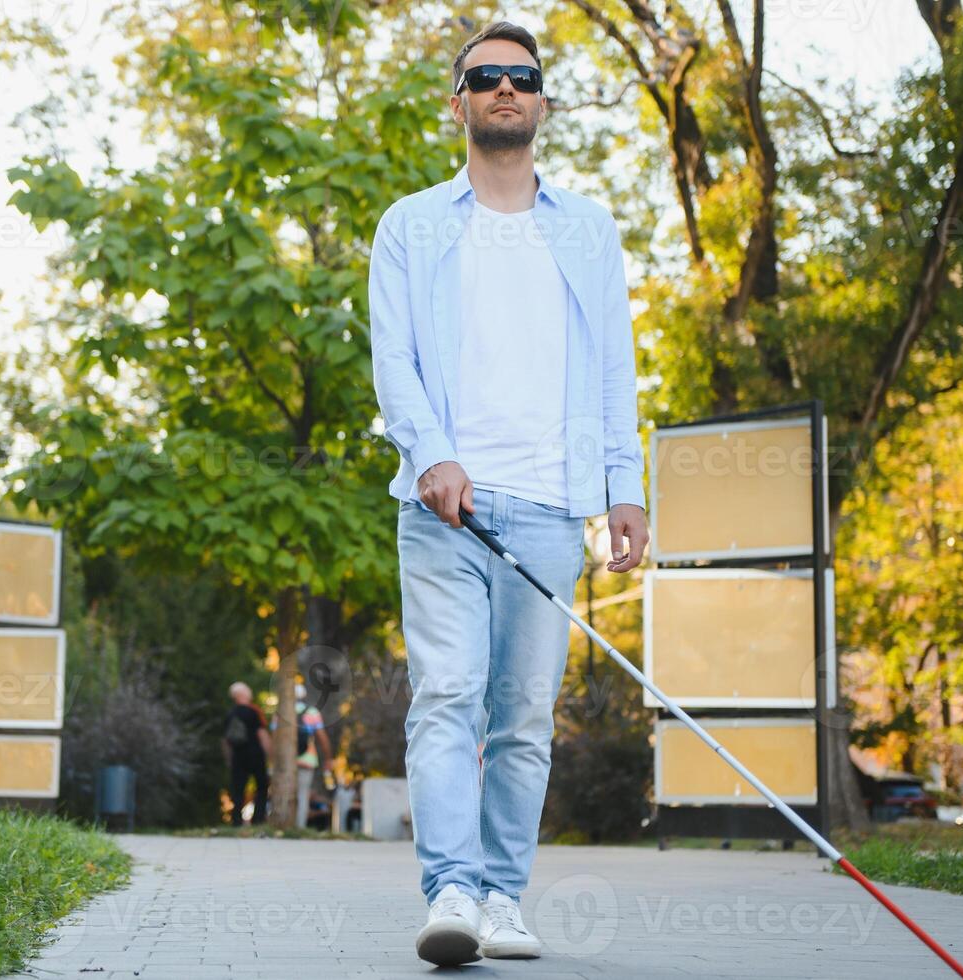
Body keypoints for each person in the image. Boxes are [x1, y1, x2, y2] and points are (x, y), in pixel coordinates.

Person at [367, 21, 649, 967]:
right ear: (458, 102)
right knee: (447, 695)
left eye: (520, 77)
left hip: (549, 510)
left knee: (522, 715)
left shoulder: (588, 228)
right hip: (445, 508)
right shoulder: (409, 224)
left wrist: (624, 488)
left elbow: (614, 367)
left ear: (541, 102)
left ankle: (502, 898)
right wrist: (433, 452)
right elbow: (394, 362)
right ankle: (448, 890)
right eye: (483, 77)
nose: (503, 89)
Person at [271, 681, 332, 825]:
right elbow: (322, 738)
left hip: (286, 760)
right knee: (303, 795)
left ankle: (284, 825)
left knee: (284, 794)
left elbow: (274, 737)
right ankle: (299, 826)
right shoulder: (312, 712)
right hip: (307, 759)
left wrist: (273, 759)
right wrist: (328, 758)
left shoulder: (280, 713)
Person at [220, 681, 270, 825]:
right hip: (255, 754)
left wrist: (229, 759)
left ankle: (236, 820)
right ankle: (258, 819)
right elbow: (262, 734)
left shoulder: (231, 713)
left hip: (238, 755)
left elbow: (225, 740)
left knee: (238, 788)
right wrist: (270, 755)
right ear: (243, 694)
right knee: (262, 786)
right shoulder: (254, 712)